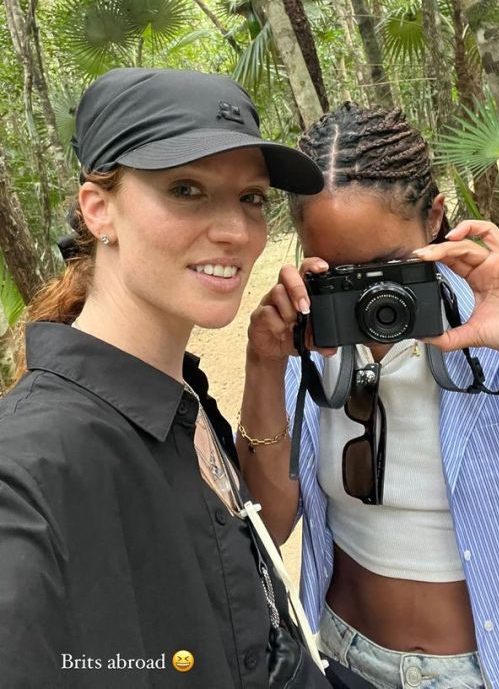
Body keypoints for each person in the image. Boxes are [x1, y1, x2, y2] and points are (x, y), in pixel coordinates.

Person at [0, 67, 329, 689]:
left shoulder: (182, 396)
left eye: (252, 198)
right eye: (185, 189)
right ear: (99, 211)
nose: (235, 231)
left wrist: (266, 364)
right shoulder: (29, 467)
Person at [239, 104, 499, 689]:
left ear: (434, 217)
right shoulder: (313, 335)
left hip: (488, 670)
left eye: (389, 269)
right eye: (336, 274)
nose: (365, 299)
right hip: (344, 655)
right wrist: (264, 366)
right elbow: (270, 527)